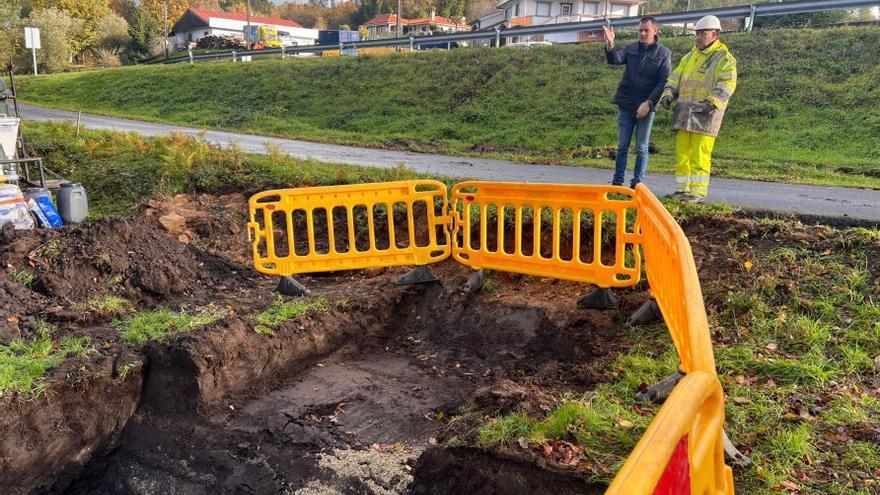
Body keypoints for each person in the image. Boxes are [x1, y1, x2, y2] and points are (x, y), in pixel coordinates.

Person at [659, 15, 737, 202]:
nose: (698, 37)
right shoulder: (690, 56)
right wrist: (668, 93)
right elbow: (675, 78)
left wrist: (713, 101)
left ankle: (697, 191)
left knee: (700, 153)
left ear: (715, 34)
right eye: (697, 33)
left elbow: (727, 82)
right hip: (685, 112)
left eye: (703, 33)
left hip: (706, 113)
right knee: (682, 152)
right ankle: (682, 189)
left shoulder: (723, 58)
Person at [603, 17, 671, 189]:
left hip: (647, 106)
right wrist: (611, 45)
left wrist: (648, 103)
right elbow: (615, 60)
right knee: (622, 146)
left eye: (646, 30)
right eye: (640, 30)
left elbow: (663, 81)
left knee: (641, 147)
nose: (642, 33)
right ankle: (618, 183)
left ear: (655, 31)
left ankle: (637, 184)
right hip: (626, 103)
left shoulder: (664, 53)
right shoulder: (631, 48)